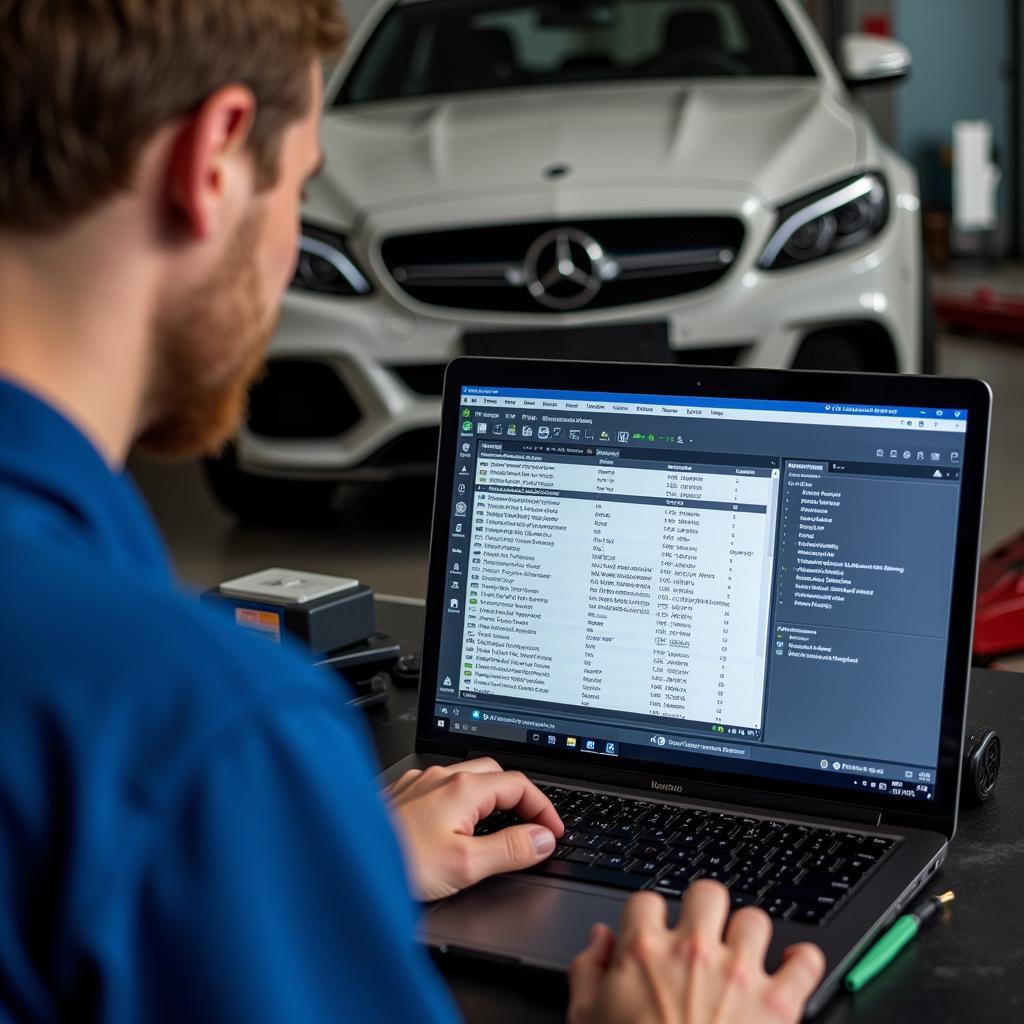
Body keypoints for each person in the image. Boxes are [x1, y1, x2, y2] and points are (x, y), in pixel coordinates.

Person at [0, 2, 825, 1021]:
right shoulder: (205, 733)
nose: (293, 231)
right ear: (211, 160)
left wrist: (283, 878)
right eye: (301, 181)